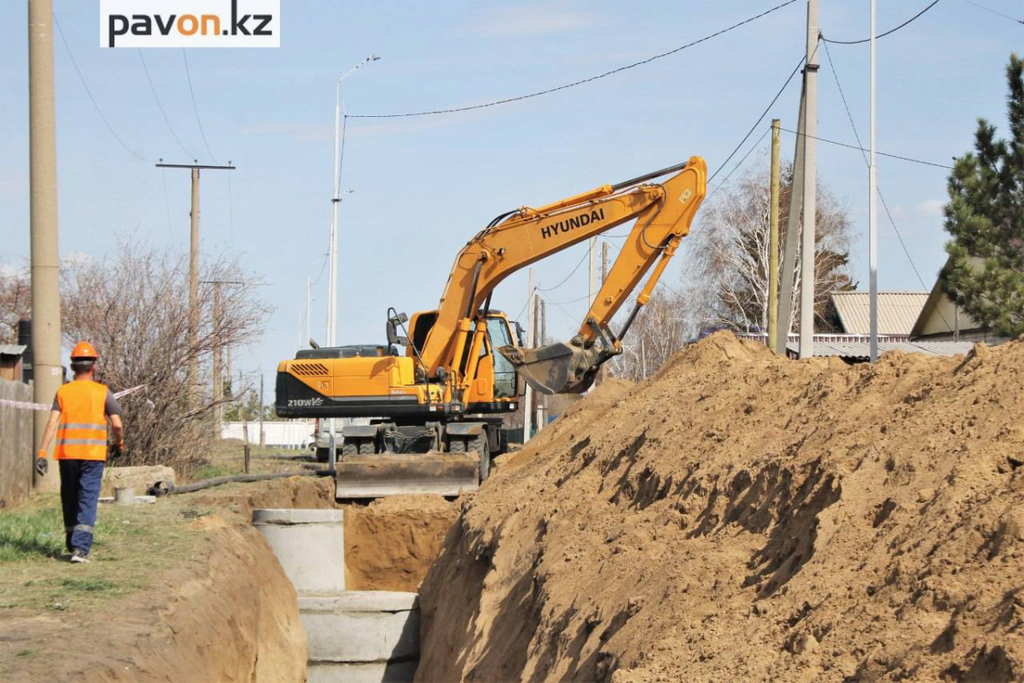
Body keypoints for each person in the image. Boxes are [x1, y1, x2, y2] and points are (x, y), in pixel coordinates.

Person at [36, 341, 124, 564]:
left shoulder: (63, 392)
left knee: (70, 497)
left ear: (73, 367)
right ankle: (81, 549)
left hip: (67, 455)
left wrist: (42, 452)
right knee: (87, 499)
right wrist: (119, 444)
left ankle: (71, 541)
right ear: (94, 365)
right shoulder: (103, 392)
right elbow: (117, 424)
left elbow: (51, 423)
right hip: (93, 456)